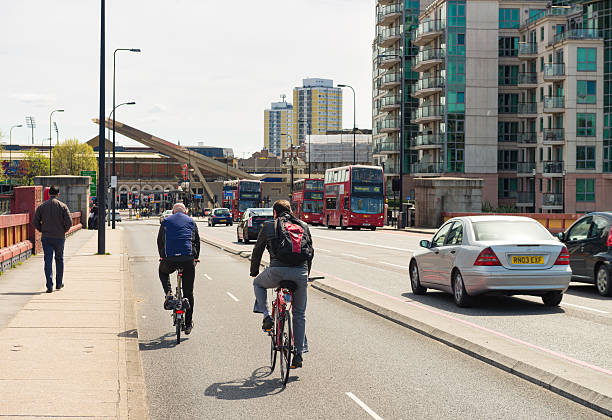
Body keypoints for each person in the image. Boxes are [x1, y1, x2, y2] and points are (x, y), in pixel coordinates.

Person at [251, 200, 314, 369]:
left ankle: (266, 316)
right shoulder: (303, 225)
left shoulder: (269, 226)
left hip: (277, 271)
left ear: (274, 213)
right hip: (300, 273)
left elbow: (257, 250)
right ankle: (298, 355)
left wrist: (254, 272)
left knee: (258, 284)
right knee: (299, 314)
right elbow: (310, 253)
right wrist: (306, 275)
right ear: (291, 211)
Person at [157, 202, 200, 334]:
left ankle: (169, 292)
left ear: (173, 212)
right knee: (189, 293)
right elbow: (196, 242)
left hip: (170, 260)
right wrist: (195, 258)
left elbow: (160, 241)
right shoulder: (191, 222)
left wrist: (162, 256)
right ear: (185, 212)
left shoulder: (165, 222)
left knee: (162, 271)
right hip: (187, 260)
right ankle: (188, 324)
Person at [32, 186, 73, 293]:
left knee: (48, 260)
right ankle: (59, 283)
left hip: (46, 237)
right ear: (58, 194)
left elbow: (35, 222)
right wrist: (64, 230)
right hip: (59, 237)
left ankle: (49, 285)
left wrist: (42, 229)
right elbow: (69, 222)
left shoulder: (42, 207)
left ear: (49, 194)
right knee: (59, 259)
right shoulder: (63, 206)